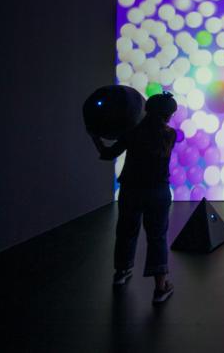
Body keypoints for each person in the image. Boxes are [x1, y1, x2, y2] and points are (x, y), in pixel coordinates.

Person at [88, 92, 178, 304]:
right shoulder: (170, 135)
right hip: (158, 191)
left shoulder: (132, 133)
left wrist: (95, 137)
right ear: (168, 114)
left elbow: (107, 154)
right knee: (157, 237)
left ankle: (121, 273)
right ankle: (160, 288)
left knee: (126, 231)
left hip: (131, 190)